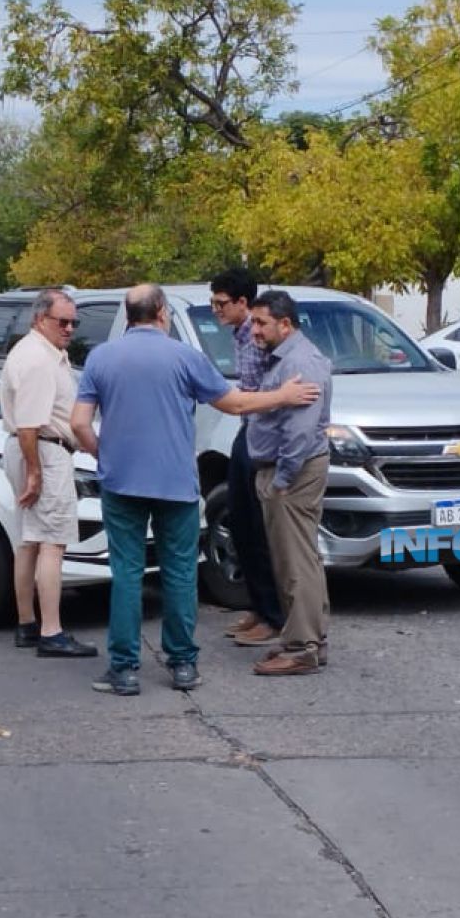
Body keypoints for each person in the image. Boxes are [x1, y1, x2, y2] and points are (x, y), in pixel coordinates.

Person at [69, 284, 321, 696]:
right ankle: (183, 664)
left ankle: (124, 668)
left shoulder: (102, 357)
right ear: (163, 313)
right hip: (175, 483)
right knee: (181, 572)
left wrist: (105, 455)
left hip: (122, 482)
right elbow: (235, 404)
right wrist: (284, 395)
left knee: (127, 574)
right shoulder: (185, 357)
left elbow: (79, 423)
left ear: (128, 315)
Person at [0, 290, 97, 658]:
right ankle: (51, 631)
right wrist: (36, 474)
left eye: (74, 322)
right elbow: (29, 425)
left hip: (32, 448)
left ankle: (27, 623)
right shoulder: (38, 359)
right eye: (63, 321)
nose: (70, 328)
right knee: (52, 542)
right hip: (43, 449)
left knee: (30, 540)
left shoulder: (39, 352)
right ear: (40, 319)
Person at [245, 290, 334, 676]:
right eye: (254, 322)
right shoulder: (283, 358)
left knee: (295, 561)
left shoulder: (300, 362)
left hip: (293, 474)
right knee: (298, 558)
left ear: (285, 323)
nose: (255, 330)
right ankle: (309, 638)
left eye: (261, 323)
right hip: (286, 470)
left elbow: (299, 432)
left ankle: (301, 648)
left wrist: (281, 479)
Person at [208, 268, 284, 649]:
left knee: (258, 528)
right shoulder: (240, 335)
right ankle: (258, 606)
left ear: (242, 302)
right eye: (213, 302)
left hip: (263, 435)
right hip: (247, 429)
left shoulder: (259, 334)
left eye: (221, 303)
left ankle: (274, 615)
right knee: (239, 520)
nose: (215, 310)